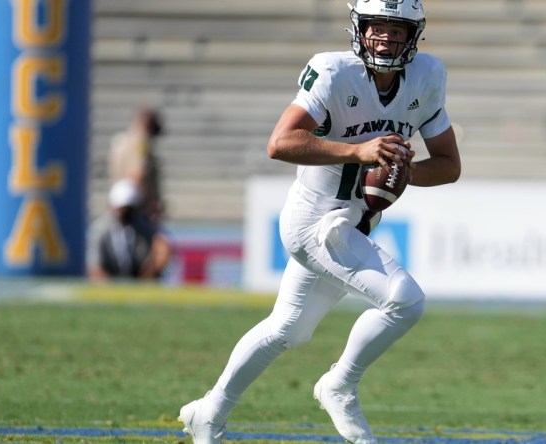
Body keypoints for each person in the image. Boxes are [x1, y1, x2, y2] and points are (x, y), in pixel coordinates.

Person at [178, 1, 461, 443]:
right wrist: (358, 151)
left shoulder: (427, 76)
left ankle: (209, 411)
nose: (385, 37)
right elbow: (280, 142)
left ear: (414, 34)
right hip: (315, 222)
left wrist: (407, 173)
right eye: (376, 27)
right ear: (359, 28)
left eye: (397, 28)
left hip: (357, 222)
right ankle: (339, 384)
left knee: (286, 330)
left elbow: (448, 165)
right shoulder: (333, 72)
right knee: (405, 301)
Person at [86, 179, 173, 281]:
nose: (124, 214)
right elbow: (95, 267)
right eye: (121, 209)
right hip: (109, 283)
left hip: (140, 282)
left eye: (128, 210)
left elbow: (160, 253)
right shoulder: (100, 229)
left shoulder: (145, 229)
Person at [108, 108, 165, 226]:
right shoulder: (140, 143)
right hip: (135, 209)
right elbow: (138, 174)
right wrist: (151, 206)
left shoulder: (121, 142)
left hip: (120, 206)